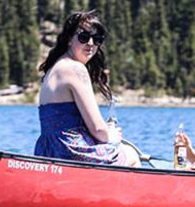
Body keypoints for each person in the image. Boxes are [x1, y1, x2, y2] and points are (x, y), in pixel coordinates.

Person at [34, 10, 140, 167]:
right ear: (69, 39)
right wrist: (111, 135)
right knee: (130, 154)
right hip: (70, 152)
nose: (90, 43)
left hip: (47, 151)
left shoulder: (54, 68)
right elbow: (97, 129)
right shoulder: (75, 69)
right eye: (84, 37)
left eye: (97, 39)